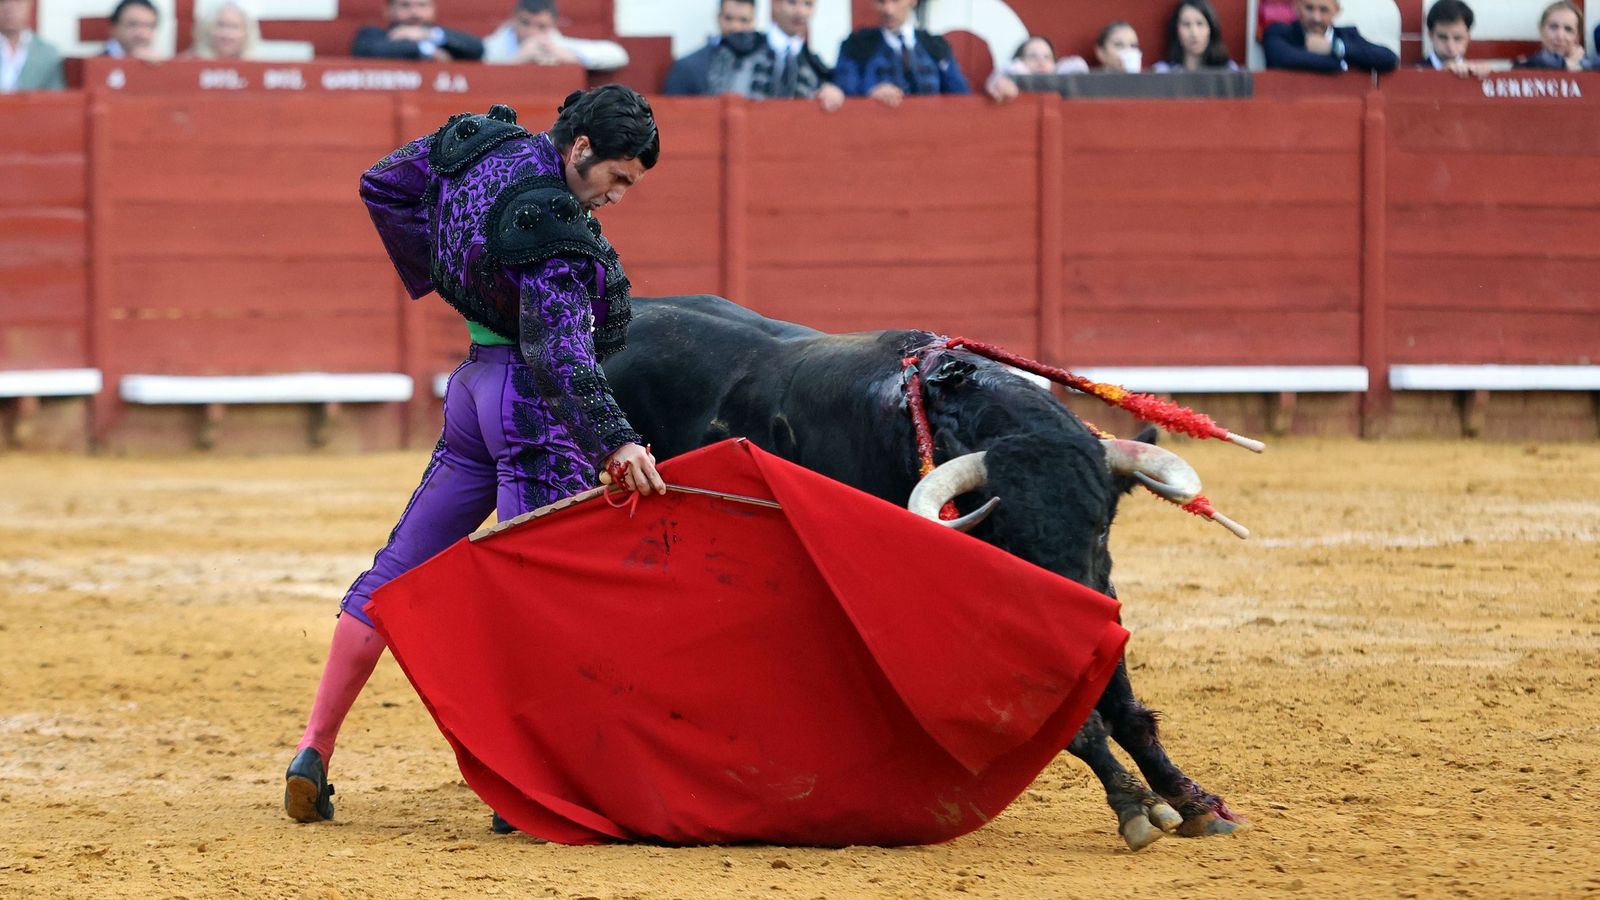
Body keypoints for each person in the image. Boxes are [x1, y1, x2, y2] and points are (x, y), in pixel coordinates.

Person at [283, 86, 665, 826]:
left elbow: (384, 184)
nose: (617, 197)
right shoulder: (553, 223)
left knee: (392, 573)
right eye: (616, 178)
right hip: (532, 410)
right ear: (580, 148)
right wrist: (615, 436)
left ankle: (313, 750)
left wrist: (456, 281)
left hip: (472, 393)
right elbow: (558, 353)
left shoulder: (484, 147)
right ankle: (520, 783)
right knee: (539, 595)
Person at [705, 0, 843, 110]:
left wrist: (830, 93)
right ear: (775, 3)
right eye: (792, 2)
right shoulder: (738, 48)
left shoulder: (817, 68)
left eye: (808, 4)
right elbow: (714, 96)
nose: (800, 12)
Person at [834, 0, 969, 106]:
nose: (888, 10)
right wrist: (870, 92)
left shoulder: (936, 46)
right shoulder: (856, 45)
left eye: (895, 1)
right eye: (881, 1)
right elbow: (844, 89)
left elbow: (960, 94)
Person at [483, 0, 628, 71]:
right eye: (525, 23)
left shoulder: (559, 46)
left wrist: (572, 57)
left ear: (553, 24)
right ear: (513, 19)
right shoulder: (490, 47)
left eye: (541, 26)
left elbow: (618, 54)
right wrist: (517, 60)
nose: (532, 32)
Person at [1262, 0, 1397, 74]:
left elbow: (1389, 58)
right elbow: (1283, 58)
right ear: (1297, 7)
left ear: (1336, 11)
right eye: (1309, 8)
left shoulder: (1347, 35)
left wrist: (1336, 48)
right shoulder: (1279, 31)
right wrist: (1338, 63)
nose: (1316, 17)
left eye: (1323, 10)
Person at [663, 0, 754, 96]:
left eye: (743, 20)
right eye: (728, 18)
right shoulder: (687, 68)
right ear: (718, 18)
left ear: (754, 21)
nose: (735, 27)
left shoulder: (769, 64)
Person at [351, 0, 484, 62]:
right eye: (405, 5)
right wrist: (427, 50)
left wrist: (429, 34)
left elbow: (478, 49)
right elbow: (366, 51)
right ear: (388, 11)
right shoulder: (374, 35)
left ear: (433, 9)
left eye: (422, 5)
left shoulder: (444, 39)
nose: (414, 13)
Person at [985, 34, 1090, 102]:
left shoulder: (1067, 83)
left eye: (1047, 57)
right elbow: (996, 80)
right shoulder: (1009, 73)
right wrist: (1000, 82)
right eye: (1032, 56)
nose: (1041, 62)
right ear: (1019, 62)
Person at [1153, 0, 1240, 72]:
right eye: (1186, 24)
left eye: (1200, 24)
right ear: (1176, 30)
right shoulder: (1163, 71)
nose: (1194, 33)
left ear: (1211, 29)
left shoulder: (1228, 71)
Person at [1513, 1, 1597, 71]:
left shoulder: (1592, 66)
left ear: (1577, 36)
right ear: (1541, 29)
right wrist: (1568, 64)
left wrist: (1581, 66)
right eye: (1553, 27)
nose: (1560, 36)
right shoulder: (1525, 66)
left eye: (1568, 29)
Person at [0, 0, 64, 92]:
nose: (10, 8)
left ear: (30, 5)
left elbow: (56, 99)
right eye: (3, 2)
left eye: (18, 2)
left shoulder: (48, 54)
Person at [1418, 0, 1492, 77]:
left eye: (1458, 38)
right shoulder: (1415, 74)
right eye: (1443, 37)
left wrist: (1487, 78)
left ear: (1468, 37)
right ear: (1430, 35)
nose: (1450, 47)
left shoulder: (1477, 74)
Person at [186, 1, 260, 60]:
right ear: (206, 30)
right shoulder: (188, 63)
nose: (227, 34)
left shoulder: (257, 68)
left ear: (246, 33)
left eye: (234, 27)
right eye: (220, 25)